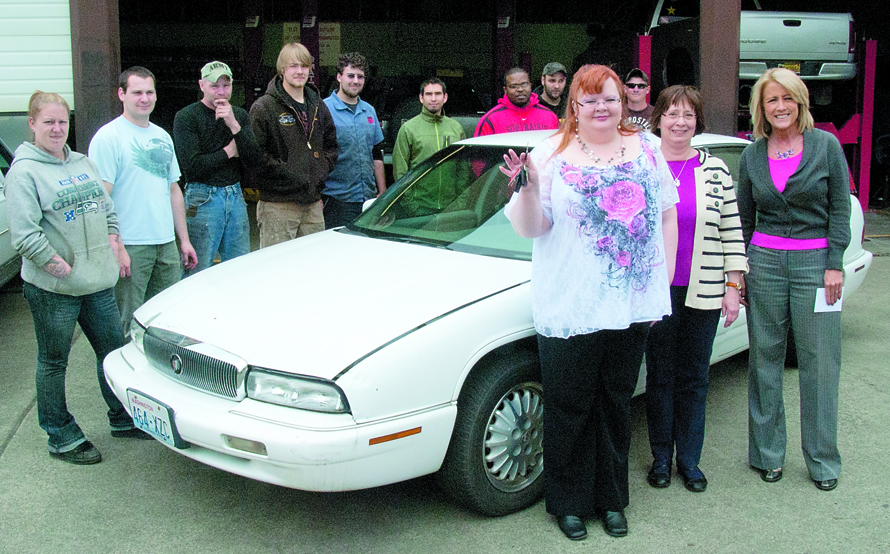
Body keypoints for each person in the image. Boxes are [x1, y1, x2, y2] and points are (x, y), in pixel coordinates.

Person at [502, 65, 678, 540]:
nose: (601, 107)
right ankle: (568, 502)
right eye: (590, 100)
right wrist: (530, 189)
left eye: (610, 98)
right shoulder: (551, 154)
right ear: (573, 107)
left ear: (623, 102)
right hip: (570, 303)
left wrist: (659, 286)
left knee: (615, 401)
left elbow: (666, 216)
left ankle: (611, 498)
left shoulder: (647, 150)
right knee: (569, 404)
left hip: (629, 304)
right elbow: (530, 227)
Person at [6, 92, 151, 465]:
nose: (57, 129)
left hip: (98, 284)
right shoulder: (24, 171)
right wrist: (61, 268)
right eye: (49, 122)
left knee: (112, 352)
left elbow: (107, 210)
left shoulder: (83, 162)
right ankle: (61, 434)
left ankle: (122, 417)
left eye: (63, 122)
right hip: (55, 290)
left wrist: (115, 246)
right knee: (54, 361)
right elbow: (25, 235)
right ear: (33, 125)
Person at [737, 67, 851, 492]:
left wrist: (835, 262)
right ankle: (767, 454)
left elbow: (840, 207)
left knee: (820, 363)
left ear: (800, 102)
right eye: (772, 100)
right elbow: (745, 218)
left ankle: (822, 460)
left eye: (787, 98)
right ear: (761, 108)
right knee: (764, 359)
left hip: (816, 266)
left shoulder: (826, 146)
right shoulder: (753, 154)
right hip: (764, 263)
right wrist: (740, 270)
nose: (780, 106)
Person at [643, 85, 748, 494]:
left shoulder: (716, 169)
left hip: (702, 291)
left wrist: (734, 284)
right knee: (659, 377)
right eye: (672, 114)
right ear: (659, 120)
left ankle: (689, 460)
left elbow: (731, 229)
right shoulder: (645, 167)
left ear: (697, 122)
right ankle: (660, 459)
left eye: (688, 115)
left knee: (694, 378)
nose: (680, 122)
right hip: (655, 293)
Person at [89, 67, 197, 335]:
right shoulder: (108, 137)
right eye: (137, 92)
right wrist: (117, 246)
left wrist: (182, 240)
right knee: (129, 323)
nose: (144, 98)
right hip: (131, 246)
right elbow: (102, 198)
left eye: (150, 92)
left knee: (166, 320)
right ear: (121, 94)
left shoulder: (162, 136)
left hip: (165, 245)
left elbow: (173, 189)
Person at [173, 61, 262, 274]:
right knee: (197, 268)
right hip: (202, 197)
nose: (221, 92)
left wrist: (234, 126)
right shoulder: (186, 117)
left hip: (235, 194)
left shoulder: (239, 115)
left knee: (239, 268)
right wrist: (230, 152)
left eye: (226, 85)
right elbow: (193, 168)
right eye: (214, 86)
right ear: (201, 86)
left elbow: (254, 161)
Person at [249, 42, 338, 246]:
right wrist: (291, 174)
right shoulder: (264, 107)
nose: (300, 71)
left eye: (304, 66)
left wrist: (318, 173)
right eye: (293, 66)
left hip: (313, 204)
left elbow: (331, 146)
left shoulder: (318, 105)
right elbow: (255, 156)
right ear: (282, 70)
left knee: (313, 266)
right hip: (278, 205)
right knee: (276, 269)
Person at [322, 52, 385, 229]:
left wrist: (382, 191)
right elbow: (316, 156)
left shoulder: (369, 111)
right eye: (350, 76)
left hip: (368, 199)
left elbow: (376, 153)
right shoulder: (324, 110)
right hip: (337, 200)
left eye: (360, 77)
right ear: (339, 77)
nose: (355, 81)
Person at [392, 78, 465, 180]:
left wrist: (462, 196)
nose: (433, 99)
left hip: (449, 195)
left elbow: (463, 169)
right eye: (429, 94)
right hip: (419, 196)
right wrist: (408, 196)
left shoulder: (456, 128)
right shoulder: (408, 129)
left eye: (438, 94)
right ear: (421, 98)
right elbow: (400, 170)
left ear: (445, 97)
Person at [474, 68, 559, 136]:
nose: (520, 89)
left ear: (530, 86)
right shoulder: (490, 120)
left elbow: (560, 152)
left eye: (524, 84)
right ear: (505, 90)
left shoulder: (550, 117)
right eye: (514, 86)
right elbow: (478, 155)